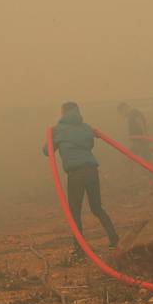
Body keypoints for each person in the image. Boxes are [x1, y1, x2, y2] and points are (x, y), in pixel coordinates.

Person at [43, 101, 118, 255]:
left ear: (63, 113)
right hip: (91, 170)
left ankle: (79, 248)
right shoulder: (86, 128)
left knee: (74, 212)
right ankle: (114, 238)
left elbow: (46, 151)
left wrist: (52, 134)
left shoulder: (60, 131)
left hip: (76, 174)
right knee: (96, 207)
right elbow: (90, 143)